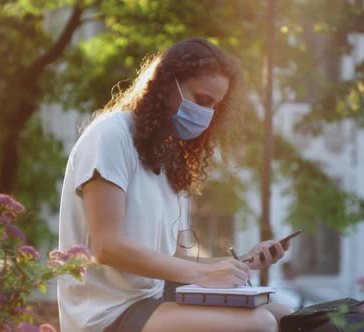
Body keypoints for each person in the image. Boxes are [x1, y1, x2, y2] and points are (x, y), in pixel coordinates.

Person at [57, 37, 293, 332]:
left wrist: (239, 263)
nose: (207, 116)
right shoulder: (109, 136)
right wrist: (204, 275)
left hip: (154, 300)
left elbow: (174, 258)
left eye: (215, 108)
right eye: (203, 101)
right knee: (257, 323)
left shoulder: (168, 158)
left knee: (288, 316)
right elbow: (107, 247)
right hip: (104, 313)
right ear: (167, 83)